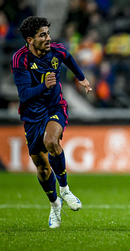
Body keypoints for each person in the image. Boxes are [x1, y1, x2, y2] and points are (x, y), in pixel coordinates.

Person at [11, 16, 92, 228]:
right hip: (32, 116)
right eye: (42, 35)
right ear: (30, 39)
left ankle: (64, 190)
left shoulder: (57, 49)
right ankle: (55, 205)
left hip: (56, 107)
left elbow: (69, 59)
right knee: (42, 168)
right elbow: (24, 94)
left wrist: (81, 77)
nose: (48, 38)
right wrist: (44, 86)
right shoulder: (20, 59)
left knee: (52, 141)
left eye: (48, 33)